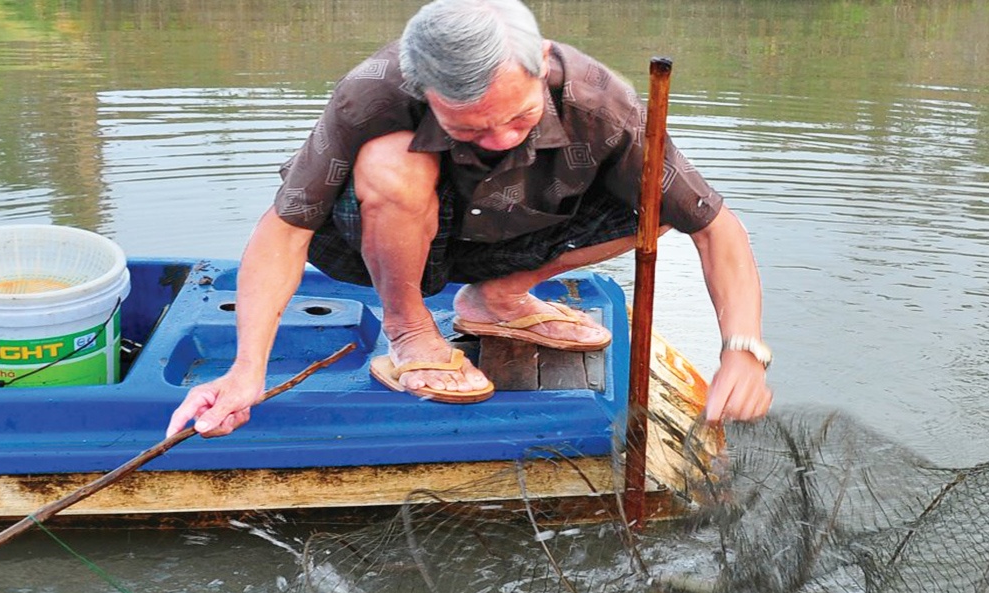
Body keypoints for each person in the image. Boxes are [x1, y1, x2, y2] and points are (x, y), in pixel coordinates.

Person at [166, 0, 772, 438]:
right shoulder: (373, 93)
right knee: (388, 163)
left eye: (519, 118)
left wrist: (742, 350)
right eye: (470, 127)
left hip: (518, 230)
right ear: (425, 90)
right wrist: (245, 371)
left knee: (656, 201)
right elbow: (285, 229)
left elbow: (715, 225)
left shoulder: (598, 102)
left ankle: (499, 300)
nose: (500, 139)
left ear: (540, 64)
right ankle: (408, 330)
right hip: (380, 238)